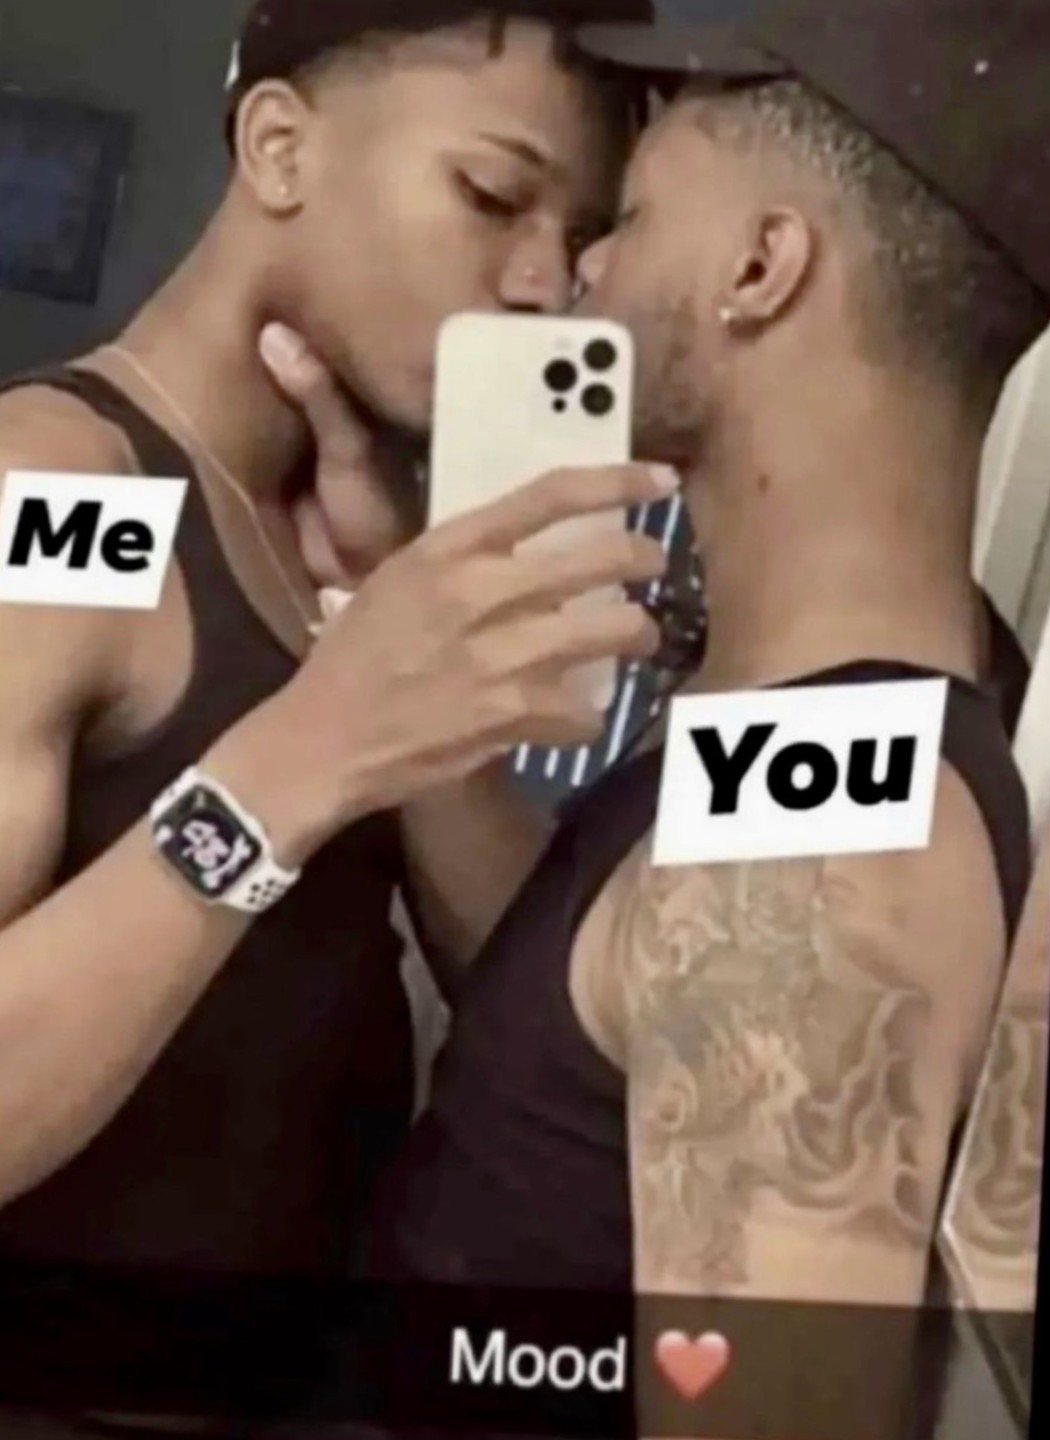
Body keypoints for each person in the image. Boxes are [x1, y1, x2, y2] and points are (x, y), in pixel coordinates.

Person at [365, 0, 1050, 1431]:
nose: (584, 266)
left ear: (761, 267)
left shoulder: (824, 844)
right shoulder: (782, 727)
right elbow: (585, 1032)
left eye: (628, 218)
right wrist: (407, 686)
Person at [0, 1, 671, 1435]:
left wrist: (388, 651)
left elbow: (519, 1002)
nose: (541, 281)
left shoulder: (328, 531)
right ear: (280, 148)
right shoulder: (52, 492)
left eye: (575, 236)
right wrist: (304, 753)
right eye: (490, 194)